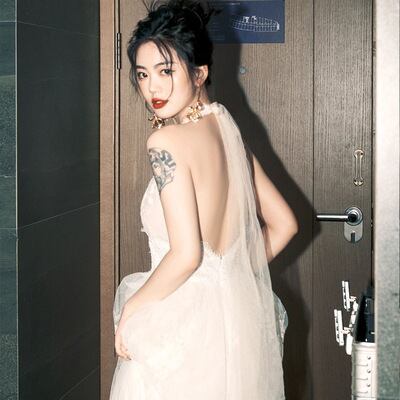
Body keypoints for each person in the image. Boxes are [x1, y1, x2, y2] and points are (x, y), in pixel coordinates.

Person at [109, 0, 298, 398]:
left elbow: (186, 255)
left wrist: (132, 309)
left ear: (199, 72)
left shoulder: (165, 141)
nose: (152, 87)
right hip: (234, 324)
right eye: (142, 74)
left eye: (166, 70)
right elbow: (285, 225)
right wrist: (232, 276)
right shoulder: (229, 134)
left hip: (181, 333)